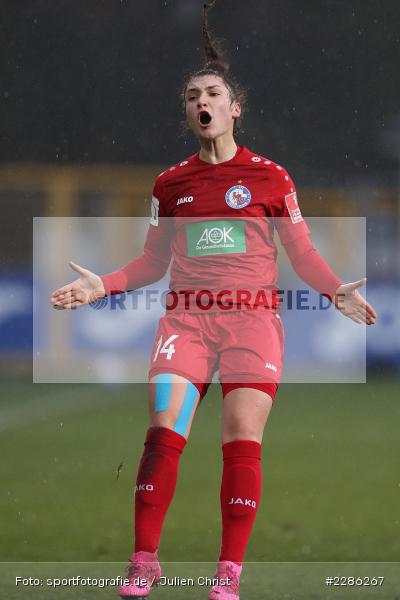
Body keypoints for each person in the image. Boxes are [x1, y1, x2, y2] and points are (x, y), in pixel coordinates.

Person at [51, 2, 377, 598]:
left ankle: (227, 572)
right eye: (193, 96)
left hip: (253, 323)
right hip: (188, 321)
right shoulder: (170, 185)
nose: (202, 102)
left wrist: (334, 291)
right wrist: (105, 285)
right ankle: (144, 561)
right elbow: (152, 261)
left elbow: (301, 254)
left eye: (213, 93)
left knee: (239, 436)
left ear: (234, 108)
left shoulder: (271, 179)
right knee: (163, 427)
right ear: (189, 113)